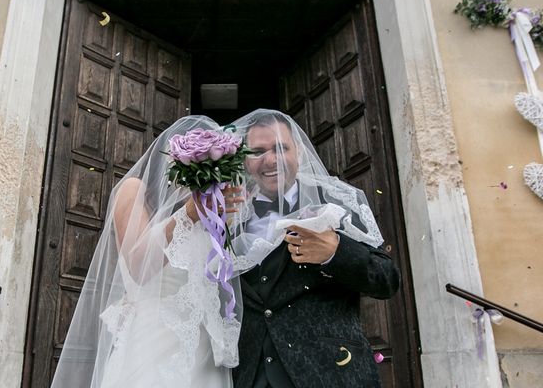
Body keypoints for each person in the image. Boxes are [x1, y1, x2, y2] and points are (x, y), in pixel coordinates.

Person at [50, 116, 247, 388]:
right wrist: (190, 214)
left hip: (201, 346)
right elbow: (138, 265)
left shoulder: (213, 208)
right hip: (153, 339)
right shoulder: (135, 190)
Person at [231, 109, 400, 388]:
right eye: (258, 151)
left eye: (280, 148)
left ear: (297, 151)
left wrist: (336, 251)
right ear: (246, 162)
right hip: (251, 375)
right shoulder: (231, 216)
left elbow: (387, 279)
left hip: (330, 372)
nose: (270, 160)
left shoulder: (338, 200)